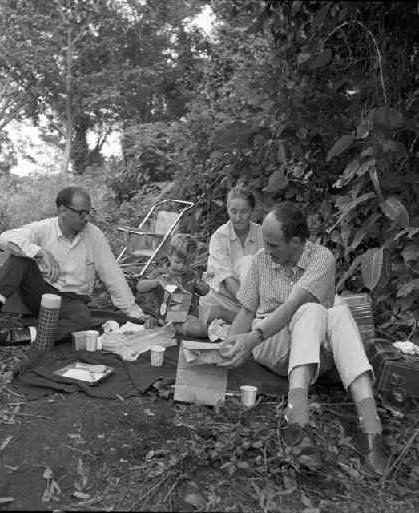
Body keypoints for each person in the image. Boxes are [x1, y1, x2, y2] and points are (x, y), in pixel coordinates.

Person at [218, 201, 389, 475]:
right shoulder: (262, 261)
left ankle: (370, 427)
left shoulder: (321, 258)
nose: (266, 251)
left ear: (296, 242)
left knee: (338, 313)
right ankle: (296, 419)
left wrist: (252, 338)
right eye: (266, 243)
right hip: (275, 346)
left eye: (274, 245)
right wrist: (229, 346)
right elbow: (247, 312)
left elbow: (292, 305)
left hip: (314, 351)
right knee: (313, 309)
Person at [0, 186, 145, 347]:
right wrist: (40, 252)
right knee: (21, 259)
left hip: (72, 302)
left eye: (89, 212)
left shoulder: (94, 236)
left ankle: (11, 337)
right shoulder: (43, 229)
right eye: (82, 213)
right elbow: (5, 238)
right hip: (40, 295)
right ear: (63, 211)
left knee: (83, 320)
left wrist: (134, 314)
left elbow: (113, 276)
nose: (87, 218)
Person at [199, 181, 263, 325]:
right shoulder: (220, 237)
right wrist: (251, 306)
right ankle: (249, 318)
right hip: (223, 299)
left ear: (252, 211)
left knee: (249, 262)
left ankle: (249, 319)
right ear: (227, 209)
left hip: (256, 301)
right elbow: (227, 280)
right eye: (233, 211)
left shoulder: (262, 234)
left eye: (243, 212)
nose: (238, 217)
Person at [137, 233, 210, 338]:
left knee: (214, 315)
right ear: (169, 255)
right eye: (177, 261)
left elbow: (206, 291)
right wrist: (157, 282)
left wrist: (198, 283)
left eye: (186, 263)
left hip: (186, 315)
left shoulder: (191, 276)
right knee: (199, 330)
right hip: (166, 318)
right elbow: (140, 286)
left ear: (192, 261)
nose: (181, 266)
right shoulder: (161, 273)